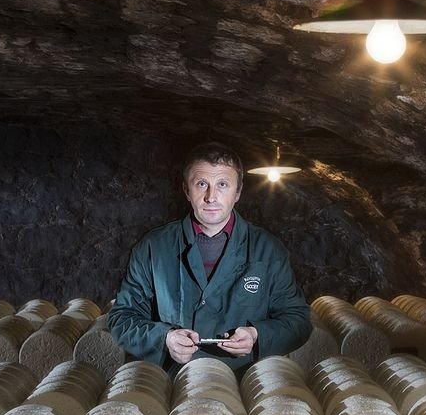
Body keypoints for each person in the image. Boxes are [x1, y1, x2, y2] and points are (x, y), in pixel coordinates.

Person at [108, 141, 311, 376]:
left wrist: (257, 335)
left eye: (222, 184)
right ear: (186, 190)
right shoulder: (153, 247)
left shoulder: (268, 249)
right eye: (201, 184)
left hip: (243, 387)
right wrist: (164, 338)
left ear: (238, 192)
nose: (211, 197)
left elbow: (298, 321)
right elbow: (121, 318)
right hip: (172, 385)